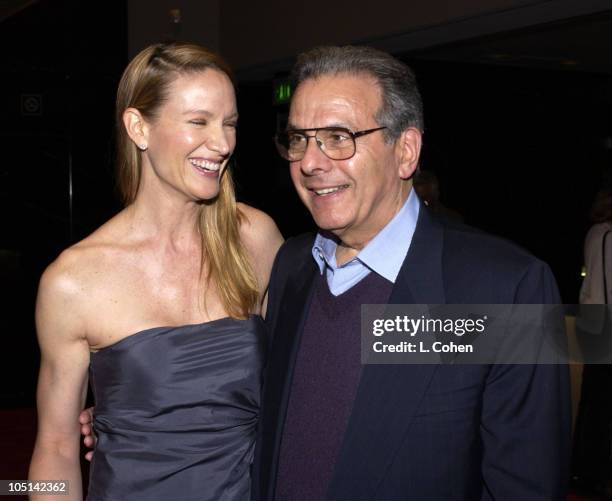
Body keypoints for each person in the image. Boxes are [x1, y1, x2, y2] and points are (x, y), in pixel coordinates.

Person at [255, 45, 571, 500]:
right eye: (299, 139)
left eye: (339, 137)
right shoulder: (291, 265)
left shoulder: (508, 288)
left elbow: (526, 486)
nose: (310, 161)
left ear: (406, 152)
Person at [29, 42, 283, 501]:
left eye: (230, 124)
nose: (223, 143)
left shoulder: (255, 239)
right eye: (198, 122)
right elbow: (55, 445)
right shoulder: (73, 281)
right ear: (138, 127)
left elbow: (305, 371)